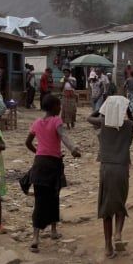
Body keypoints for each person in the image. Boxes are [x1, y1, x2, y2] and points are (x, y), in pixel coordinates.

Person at [25, 95, 81, 253]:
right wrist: (74, 150)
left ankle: (36, 238)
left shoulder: (36, 122)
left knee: (40, 201)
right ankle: (53, 231)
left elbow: (27, 142)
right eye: (59, 105)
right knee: (54, 196)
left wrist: (38, 152)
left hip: (39, 164)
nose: (60, 108)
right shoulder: (56, 121)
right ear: (54, 107)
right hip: (53, 165)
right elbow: (64, 136)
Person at [87, 96, 133, 259]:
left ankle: (108, 246)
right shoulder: (128, 125)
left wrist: (102, 107)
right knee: (120, 204)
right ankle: (118, 234)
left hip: (106, 168)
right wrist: (128, 111)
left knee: (106, 208)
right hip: (122, 168)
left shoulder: (102, 123)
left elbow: (89, 118)